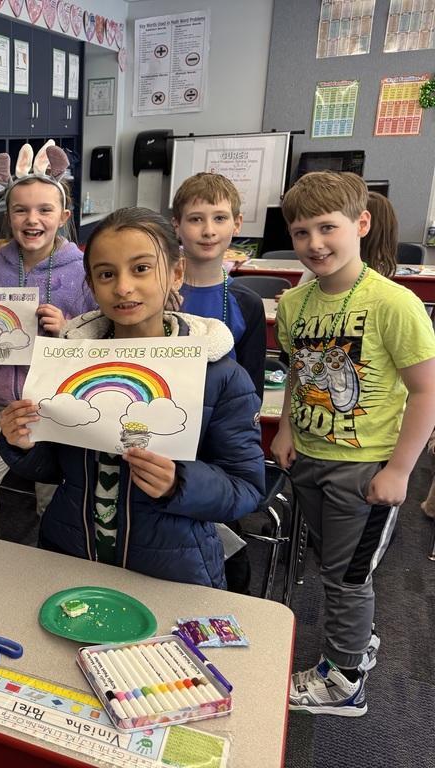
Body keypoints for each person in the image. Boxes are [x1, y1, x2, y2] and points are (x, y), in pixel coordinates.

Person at [0, 207, 265, 588]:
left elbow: (247, 486)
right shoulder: (66, 362)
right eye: (107, 274)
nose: (122, 287)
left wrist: (180, 483)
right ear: (90, 284)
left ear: (176, 272)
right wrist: (22, 443)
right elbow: (53, 469)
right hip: (69, 551)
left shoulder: (219, 375)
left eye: (141, 268)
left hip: (171, 569)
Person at [271, 171, 435, 716]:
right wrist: (289, 430)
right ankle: (354, 643)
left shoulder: (394, 303)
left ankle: (343, 681)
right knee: (333, 566)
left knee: (345, 577)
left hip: (364, 468)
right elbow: (297, 373)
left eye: (327, 228)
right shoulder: (296, 304)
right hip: (311, 459)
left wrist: (400, 471)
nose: (314, 244)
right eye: (300, 232)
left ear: (360, 224)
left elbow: (426, 391)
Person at [0, 143, 97, 538]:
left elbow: (102, 341)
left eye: (45, 210)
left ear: (63, 217)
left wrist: (66, 327)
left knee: (52, 499)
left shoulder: (83, 270)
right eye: (21, 210)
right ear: (8, 215)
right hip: (2, 406)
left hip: (56, 407)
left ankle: (44, 566)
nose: (33, 219)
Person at [171, 171, 265, 596]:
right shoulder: (160, 290)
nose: (208, 230)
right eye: (195, 219)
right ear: (176, 225)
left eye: (219, 218)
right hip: (163, 431)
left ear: (237, 224)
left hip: (216, 449)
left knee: (223, 550)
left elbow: (252, 385)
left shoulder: (244, 301)